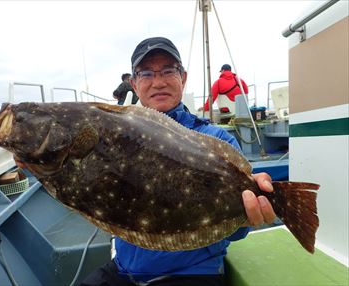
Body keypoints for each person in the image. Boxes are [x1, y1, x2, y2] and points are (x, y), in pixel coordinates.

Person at [80, 37, 276, 286]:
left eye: (168, 71)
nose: (158, 82)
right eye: (147, 73)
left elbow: (237, 231)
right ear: (134, 83)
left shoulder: (216, 139)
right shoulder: (112, 137)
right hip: (123, 269)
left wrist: (249, 212)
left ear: (182, 77)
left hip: (191, 273)